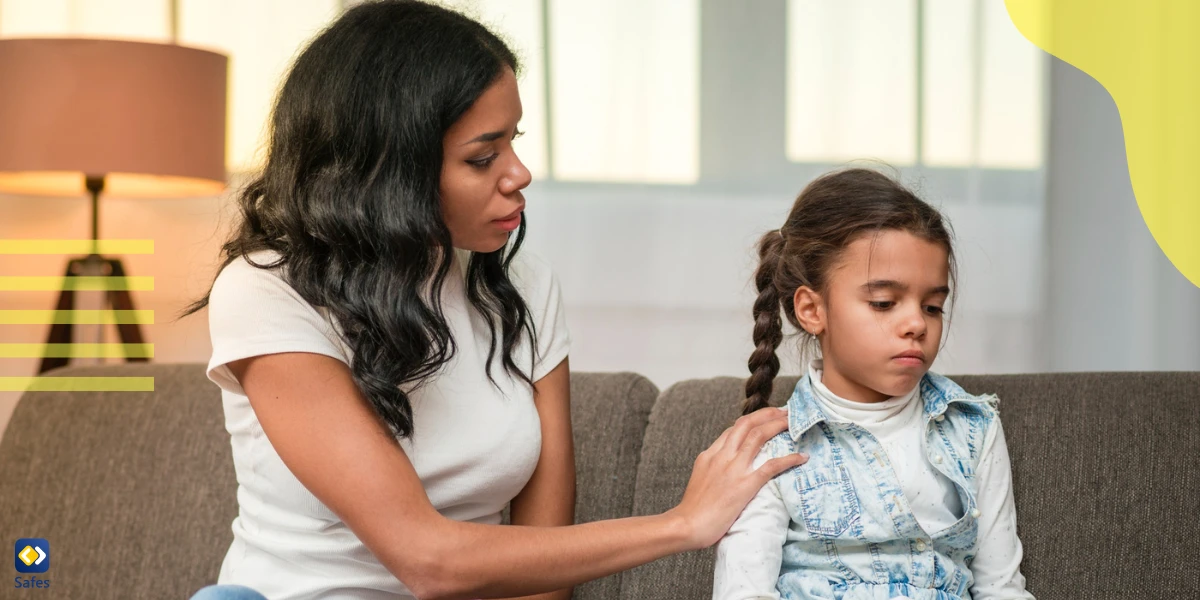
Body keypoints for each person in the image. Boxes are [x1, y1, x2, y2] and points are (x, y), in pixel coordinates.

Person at [182, 2, 805, 599]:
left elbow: (544, 566)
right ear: (386, 171)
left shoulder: (525, 287)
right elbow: (426, 559)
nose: (518, 173)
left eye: (513, 140)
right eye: (483, 156)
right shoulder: (268, 289)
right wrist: (683, 524)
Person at [713, 168, 1034, 600]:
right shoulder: (770, 449)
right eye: (884, 303)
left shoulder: (973, 429)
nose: (916, 323)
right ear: (811, 309)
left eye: (933, 306)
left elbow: (1001, 588)